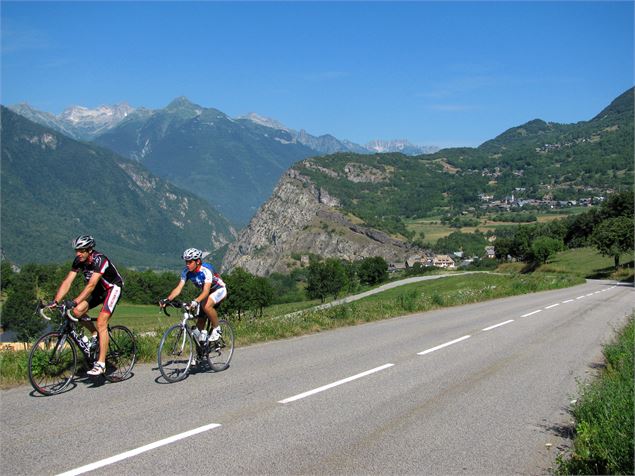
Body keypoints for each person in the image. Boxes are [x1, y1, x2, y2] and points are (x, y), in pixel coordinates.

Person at [52, 235, 124, 376]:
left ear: (90, 250)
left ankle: (101, 363)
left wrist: (75, 300)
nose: (78, 253)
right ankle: (95, 334)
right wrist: (56, 301)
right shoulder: (79, 261)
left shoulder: (100, 260)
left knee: (102, 321)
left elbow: (90, 286)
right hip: (98, 290)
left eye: (81, 250)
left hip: (112, 288)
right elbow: (67, 281)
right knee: (77, 312)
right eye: (76, 250)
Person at [160, 248, 227, 342]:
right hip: (206, 294)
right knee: (199, 325)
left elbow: (206, 291)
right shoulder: (186, 272)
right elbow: (178, 288)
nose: (187, 264)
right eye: (186, 262)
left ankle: (217, 328)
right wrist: (167, 299)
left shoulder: (206, 270)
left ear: (198, 261)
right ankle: (202, 351)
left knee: (206, 306)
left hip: (219, 290)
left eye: (190, 262)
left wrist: (195, 301)